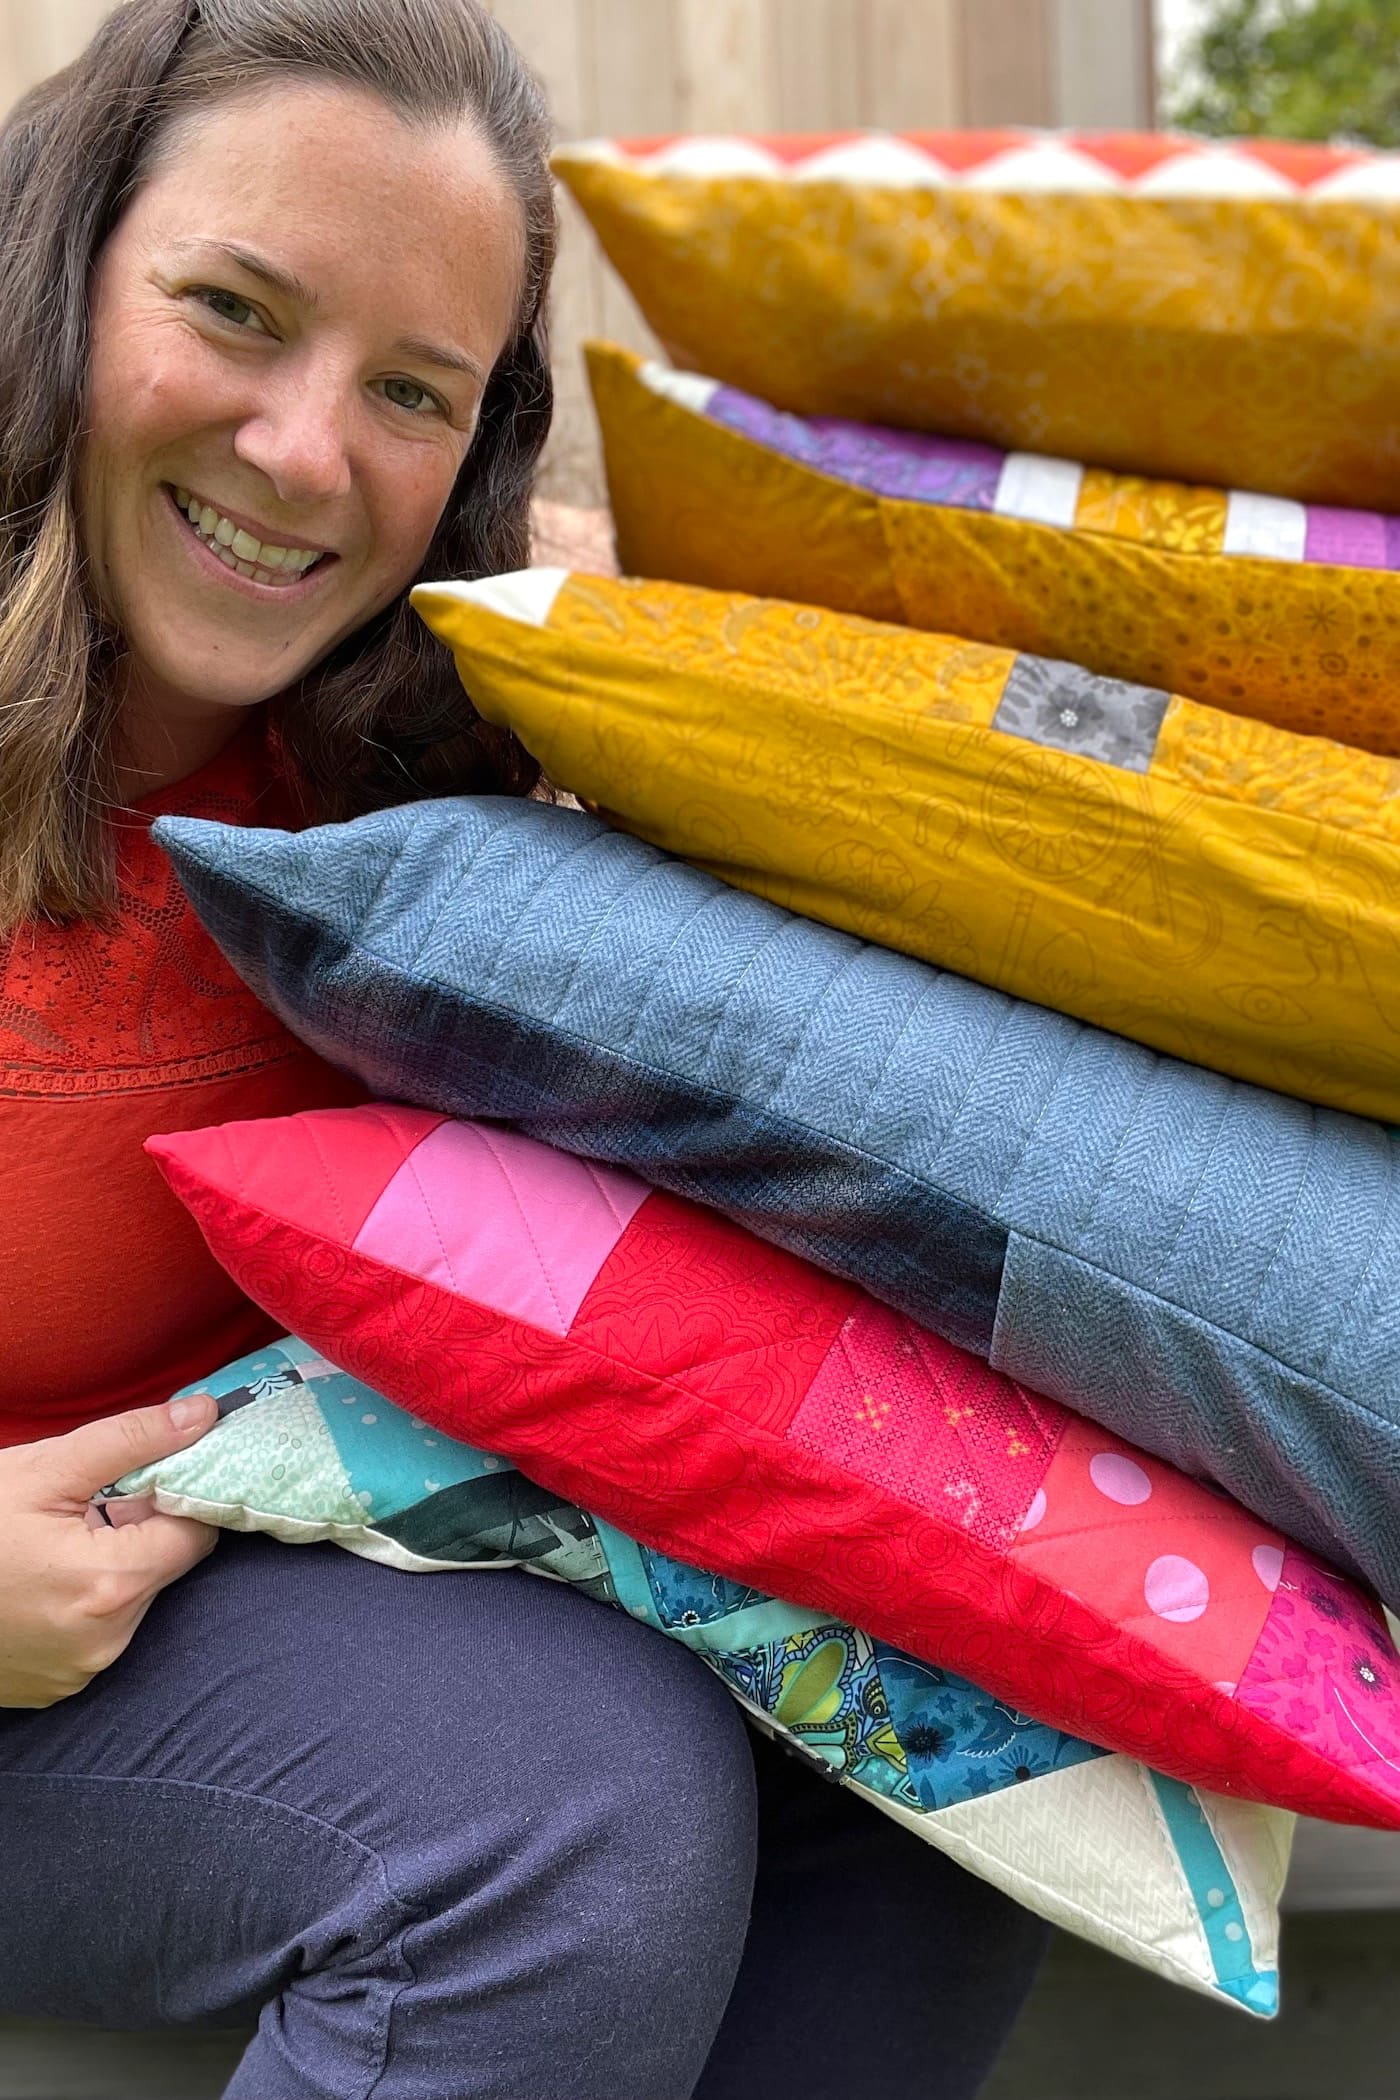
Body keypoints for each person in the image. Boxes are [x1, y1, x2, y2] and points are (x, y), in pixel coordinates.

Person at [0, 3, 1048, 2095]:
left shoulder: (444, 777)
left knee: (947, 1779)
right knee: (564, 1810)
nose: (307, 454)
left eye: (409, 388)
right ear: (58, 277)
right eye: (234, 311)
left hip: (258, 1581)